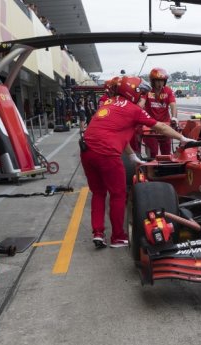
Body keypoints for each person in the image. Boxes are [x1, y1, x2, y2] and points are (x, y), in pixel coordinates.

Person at [81, 76, 193, 248]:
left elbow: (116, 133)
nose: (143, 97)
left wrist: (132, 155)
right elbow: (161, 127)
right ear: (133, 93)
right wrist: (182, 138)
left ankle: (98, 233)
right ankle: (117, 237)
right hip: (106, 154)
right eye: (141, 94)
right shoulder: (133, 109)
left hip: (86, 151)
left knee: (98, 193)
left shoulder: (109, 103)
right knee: (118, 195)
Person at [139, 68, 178, 158]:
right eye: (157, 81)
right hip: (150, 127)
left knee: (167, 153)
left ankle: (166, 171)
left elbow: (173, 105)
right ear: (153, 81)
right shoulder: (147, 90)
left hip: (165, 125)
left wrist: (174, 117)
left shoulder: (168, 90)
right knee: (153, 153)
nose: (160, 83)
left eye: (162, 81)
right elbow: (141, 104)